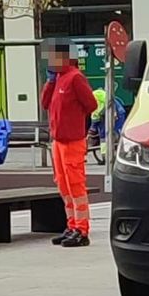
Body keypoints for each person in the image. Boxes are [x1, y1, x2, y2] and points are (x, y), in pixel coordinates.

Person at [40, 40, 97, 248]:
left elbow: (91, 104)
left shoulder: (75, 77)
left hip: (72, 141)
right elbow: (45, 103)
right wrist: (50, 82)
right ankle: (72, 225)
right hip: (58, 141)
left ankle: (81, 230)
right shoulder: (58, 78)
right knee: (63, 185)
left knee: (75, 185)